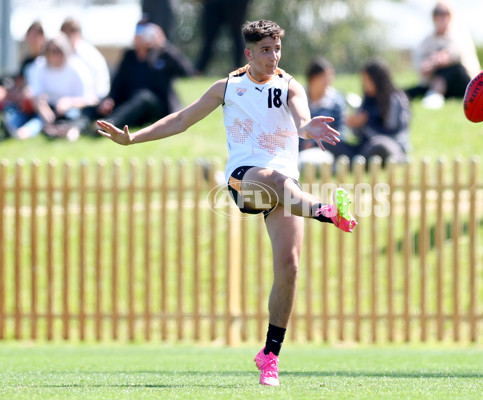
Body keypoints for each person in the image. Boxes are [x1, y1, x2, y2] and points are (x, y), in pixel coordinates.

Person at [97, 19, 357, 387]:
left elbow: (300, 117)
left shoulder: (289, 85)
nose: (273, 56)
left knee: (291, 266)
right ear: (248, 53)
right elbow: (182, 119)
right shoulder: (228, 87)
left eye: (277, 49)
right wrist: (134, 138)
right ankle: (328, 212)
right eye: (265, 50)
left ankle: (270, 355)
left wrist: (307, 127)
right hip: (245, 179)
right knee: (275, 180)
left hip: (287, 189)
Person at [91, 21, 194, 130]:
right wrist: (110, 99)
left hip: (156, 108)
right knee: (94, 103)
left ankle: (110, 124)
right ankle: (79, 126)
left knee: (143, 97)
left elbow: (187, 72)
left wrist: (164, 45)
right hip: (129, 106)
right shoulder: (129, 57)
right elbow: (118, 84)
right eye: (138, 31)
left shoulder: (162, 55)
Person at [323, 59, 411, 164]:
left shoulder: (396, 98)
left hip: (391, 145)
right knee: (329, 142)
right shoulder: (367, 100)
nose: (365, 84)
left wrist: (366, 123)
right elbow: (358, 135)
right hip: (365, 147)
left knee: (379, 144)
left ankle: (355, 164)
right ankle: (356, 162)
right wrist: (354, 124)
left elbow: (392, 130)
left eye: (368, 80)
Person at [405, 1, 481, 109]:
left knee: (451, 68)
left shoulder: (460, 33)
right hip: (435, 82)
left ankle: (435, 95)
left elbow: (454, 55)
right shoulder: (428, 40)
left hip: (465, 84)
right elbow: (419, 64)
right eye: (437, 13)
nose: (441, 16)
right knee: (412, 91)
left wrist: (433, 62)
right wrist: (433, 62)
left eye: (445, 13)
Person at [28, 33, 97, 140]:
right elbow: (36, 95)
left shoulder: (78, 68)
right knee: (35, 121)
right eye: (51, 51)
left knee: (75, 116)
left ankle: (68, 131)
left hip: (73, 111)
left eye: (59, 51)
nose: (55, 55)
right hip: (49, 110)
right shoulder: (39, 67)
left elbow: (92, 99)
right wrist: (43, 109)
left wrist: (70, 102)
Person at [0, 21, 46, 139]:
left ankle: (21, 133)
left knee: (38, 120)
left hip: (42, 103)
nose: (33, 40)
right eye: (30, 36)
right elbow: (20, 82)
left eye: (36, 35)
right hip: (25, 104)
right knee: (14, 114)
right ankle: (11, 128)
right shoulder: (27, 62)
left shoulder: (46, 61)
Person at [298, 57, 347, 164]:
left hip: (327, 148)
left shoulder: (336, 102)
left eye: (330, 76)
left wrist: (316, 142)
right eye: (324, 77)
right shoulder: (297, 99)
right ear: (312, 78)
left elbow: (341, 132)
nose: (329, 81)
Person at [194, 0, 252, 75]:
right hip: (213, 3)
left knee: (237, 35)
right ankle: (198, 71)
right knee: (208, 39)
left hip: (235, 3)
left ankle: (240, 70)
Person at [60, 17, 111, 101]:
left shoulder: (91, 56)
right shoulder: (56, 54)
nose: (68, 35)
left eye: (72, 31)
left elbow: (100, 91)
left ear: (79, 34)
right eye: (64, 31)